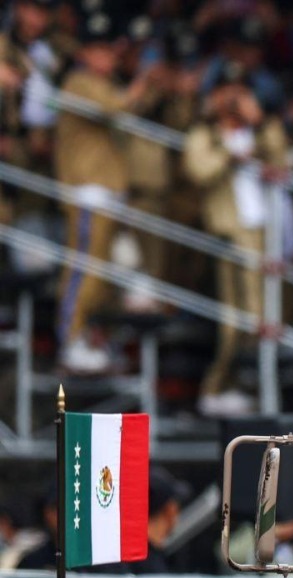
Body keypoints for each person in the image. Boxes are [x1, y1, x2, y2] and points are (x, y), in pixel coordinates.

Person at [54, 11, 157, 373]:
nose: (108, 57)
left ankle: (85, 336)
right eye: (100, 50)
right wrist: (142, 81)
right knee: (84, 270)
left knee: (102, 274)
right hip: (86, 191)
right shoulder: (79, 81)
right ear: (84, 52)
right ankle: (69, 339)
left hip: (105, 192)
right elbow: (115, 107)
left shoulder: (101, 82)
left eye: (109, 50)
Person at [183, 66, 288, 416]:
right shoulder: (205, 133)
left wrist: (258, 121)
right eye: (225, 92)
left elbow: (282, 159)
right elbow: (198, 171)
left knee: (262, 316)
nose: (232, 100)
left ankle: (248, 388)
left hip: (260, 230)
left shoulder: (255, 131)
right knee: (237, 320)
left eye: (240, 92)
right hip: (230, 231)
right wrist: (230, 154)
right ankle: (217, 387)